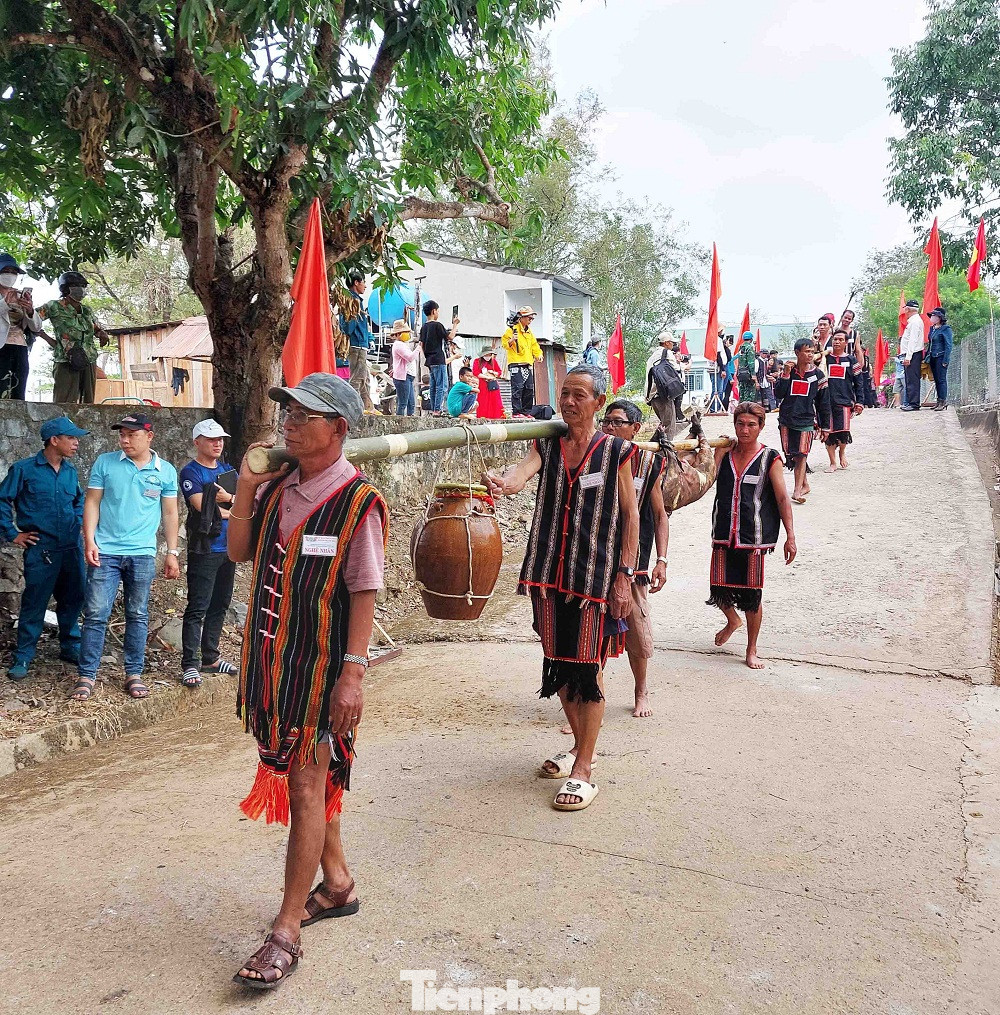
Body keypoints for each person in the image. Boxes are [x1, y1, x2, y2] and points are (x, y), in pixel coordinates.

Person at [227, 373, 385, 991]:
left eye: (304, 415)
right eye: (287, 411)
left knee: (306, 785)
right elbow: (239, 551)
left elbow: (364, 591)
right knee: (307, 782)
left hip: (322, 675)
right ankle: (338, 882)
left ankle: (286, 929)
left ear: (338, 430)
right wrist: (245, 485)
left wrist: (354, 674)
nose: (289, 422)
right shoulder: (276, 488)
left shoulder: (357, 501)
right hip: (270, 669)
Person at [483, 364, 638, 812]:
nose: (569, 402)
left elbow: (630, 518)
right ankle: (576, 745)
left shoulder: (616, 452)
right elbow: (519, 476)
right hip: (548, 574)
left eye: (579, 395)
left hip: (594, 578)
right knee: (559, 665)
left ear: (597, 402)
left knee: (586, 670)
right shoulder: (547, 444)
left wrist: (625, 575)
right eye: (565, 393)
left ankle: (584, 767)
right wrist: (502, 483)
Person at [75, 413, 180, 701]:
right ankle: (87, 675)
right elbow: (92, 502)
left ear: (149, 436)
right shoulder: (106, 463)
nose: (125, 439)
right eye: (121, 434)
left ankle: (134, 673)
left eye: (131, 434)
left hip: (142, 554)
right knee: (96, 614)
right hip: (105, 551)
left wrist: (172, 552)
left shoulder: (165, 471)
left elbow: (171, 513)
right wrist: (90, 540)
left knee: (137, 614)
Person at [708, 401, 796, 670]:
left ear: (761, 427)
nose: (745, 430)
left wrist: (790, 535)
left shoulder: (770, 458)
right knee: (718, 588)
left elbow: (782, 497)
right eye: (740, 424)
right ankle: (732, 621)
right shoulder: (725, 452)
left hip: (754, 536)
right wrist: (716, 453)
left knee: (751, 596)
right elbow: (707, 478)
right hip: (724, 532)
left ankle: (752, 647)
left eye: (751, 425)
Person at [0, 416, 89, 680]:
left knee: (74, 597)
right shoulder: (24, 470)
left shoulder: (70, 471)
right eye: (71, 438)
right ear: (54, 440)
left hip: (71, 547)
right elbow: (3, 500)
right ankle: (24, 655)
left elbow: (79, 500)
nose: (76, 443)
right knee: (35, 601)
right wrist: (13, 534)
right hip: (42, 549)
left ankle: (70, 645)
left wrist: (77, 521)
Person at [601, 399, 669, 719]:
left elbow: (659, 515)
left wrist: (662, 560)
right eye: (606, 422)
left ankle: (641, 691)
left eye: (618, 422)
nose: (610, 428)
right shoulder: (594, 458)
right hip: (597, 561)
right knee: (594, 633)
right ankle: (591, 699)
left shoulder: (650, 464)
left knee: (638, 635)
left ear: (636, 428)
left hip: (636, 564)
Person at [178, 419, 238, 689]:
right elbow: (202, 507)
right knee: (197, 606)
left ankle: (211, 657)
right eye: (211, 439)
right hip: (205, 548)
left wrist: (230, 501)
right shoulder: (191, 473)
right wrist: (228, 504)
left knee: (221, 603)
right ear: (197, 442)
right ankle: (190, 663)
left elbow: (244, 500)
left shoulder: (227, 470)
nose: (217, 443)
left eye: (220, 439)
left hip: (229, 547)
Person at [773, 337, 831, 504]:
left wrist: (825, 426)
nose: (810, 355)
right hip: (786, 419)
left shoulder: (818, 375)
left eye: (812, 352)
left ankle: (797, 491)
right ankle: (804, 484)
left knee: (801, 454)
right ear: (797, 353)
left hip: (806, 421)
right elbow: (779, 394)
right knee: (791, 454)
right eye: (807, 351)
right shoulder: (788, 372)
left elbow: (824, 403)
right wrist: (784, 375)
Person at [38, 270, 110, 404]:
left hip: (88, 360)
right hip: (65, 361)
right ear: (66, 288)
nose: (81, 289)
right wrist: (45, 336)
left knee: (87, 403)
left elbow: (96, 329)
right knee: (64, 402)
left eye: (83, 286)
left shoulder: (87, 311)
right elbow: (33, 320)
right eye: (77, 285)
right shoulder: (53, 306)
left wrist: (102, 334)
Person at [0, 253, 45, 399]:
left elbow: (36, 327)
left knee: (18, 391)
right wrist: (5, 304)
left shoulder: (20, 295)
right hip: (1, 346)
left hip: (19, 347)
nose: (10, 275)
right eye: (6, 271)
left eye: (14, 272)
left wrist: (30, 310)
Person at [823, 329, 864, 472]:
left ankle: (842, 453)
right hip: (826, 401)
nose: (837, 342)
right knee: (828, 432)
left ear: (846, 342)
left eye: (841, 339)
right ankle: (832, 462)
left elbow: (859, 382)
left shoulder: (851, 360)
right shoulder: (825, 359)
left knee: (843, 431)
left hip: (845, 401)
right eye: (835, 339)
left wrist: (860, 402)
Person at [339, 274, 375, 412]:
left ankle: (368, 407)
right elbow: (350, 324)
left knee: (364, 379)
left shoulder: (354, 299)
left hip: (360, 343)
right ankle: (351, 409)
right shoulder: (353, 300)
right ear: (356, 282)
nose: (365, 286)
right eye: (364, 282)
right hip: (357, 344)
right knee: (357, 378)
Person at [418, 300, 460, 414]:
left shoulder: (423, 327)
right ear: (434, 311)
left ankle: (434, 408)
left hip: (430, 360)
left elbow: (421, 344)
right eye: (437, 311)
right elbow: (450, 336)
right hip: (438, 358)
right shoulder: (438, 325)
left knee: (433, 385)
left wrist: (426, 356)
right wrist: (455, 324)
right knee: (442, 385)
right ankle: (438, 409)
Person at [501, 306, 543, 416]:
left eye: (532, 319)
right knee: (517, 388)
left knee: (529, 388)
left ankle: (526, 411)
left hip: (527, 363)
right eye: (529, 318)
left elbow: (534, 346)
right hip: (516, 363)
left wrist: (538, 354)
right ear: (522, 317)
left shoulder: (529, 333)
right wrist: (512, 340)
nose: (531, 320)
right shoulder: (511, 330)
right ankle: (516, 412)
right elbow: (505, 344)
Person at [645, 331, 685, 426]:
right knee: (669, 427)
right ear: (666, 342)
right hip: (662, 395)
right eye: (672, 342)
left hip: (652, 395)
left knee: (663, 425)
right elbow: (677, 369)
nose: (673, 345)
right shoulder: (667, 353)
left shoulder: (653, 356)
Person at [389, 319, 418, 416]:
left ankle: (410, 420)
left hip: (408, 376)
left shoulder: (403, 344)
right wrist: (418, 348)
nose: (407, 334)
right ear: (398, 334)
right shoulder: (398, 345)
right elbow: (410, 358)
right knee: (403, 403)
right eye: (404, 332)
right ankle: (399, 420)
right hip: (403, 377)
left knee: (411, 403)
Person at [900, 299, 925, 411]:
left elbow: (913, 340)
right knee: (909, 378)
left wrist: (908, 357)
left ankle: (914, 403)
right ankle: (910, 402)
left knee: (912, 379)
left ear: (908, 309)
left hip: (913, 354)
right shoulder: (913, 321)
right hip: (911, 353)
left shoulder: (915, 322)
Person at [926, 307, 953, 411]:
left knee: (941, 379)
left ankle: (943, 400)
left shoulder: (946, 329)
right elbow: (930, 342)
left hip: (941, 357)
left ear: (940, 318)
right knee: (936, 379)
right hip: (932, 356)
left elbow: (948, 345)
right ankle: (938, 401)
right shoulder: (932, 329)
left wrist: (946, 360)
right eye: (932, 315)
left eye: (934, 316)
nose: (932, 317)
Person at [473, 341, 505, 419]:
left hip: (493, 384)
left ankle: (496, 417)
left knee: (495, 401)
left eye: (489, 355)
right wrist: (486, 377)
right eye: (486, 355)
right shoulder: (477, 361)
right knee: (483, 401)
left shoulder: (493, 362)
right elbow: (475, 372)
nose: (488, 356)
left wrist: (493, 373)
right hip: (483, 385)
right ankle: (483, 417)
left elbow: (499, 372)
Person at [735, 333, 758, 403]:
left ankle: (741, 407)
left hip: (741, 373)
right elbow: (751, 362)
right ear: (751, 339)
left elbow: (739, 361)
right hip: (748, 374)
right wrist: (753, 374)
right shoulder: (749, 348)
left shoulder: (741, 347)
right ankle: (747, 409)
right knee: (750, 392)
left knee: (742, 391)